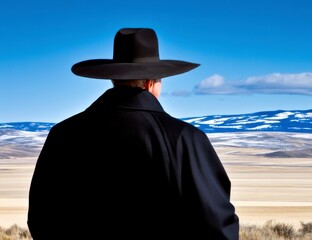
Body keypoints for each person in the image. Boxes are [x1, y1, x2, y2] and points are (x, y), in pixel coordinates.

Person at [27, 28, 239, 239]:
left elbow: (41, 217)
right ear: (151, 83)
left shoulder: (63, 134)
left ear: (114, 79)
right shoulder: (184, 138)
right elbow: (216, 224)